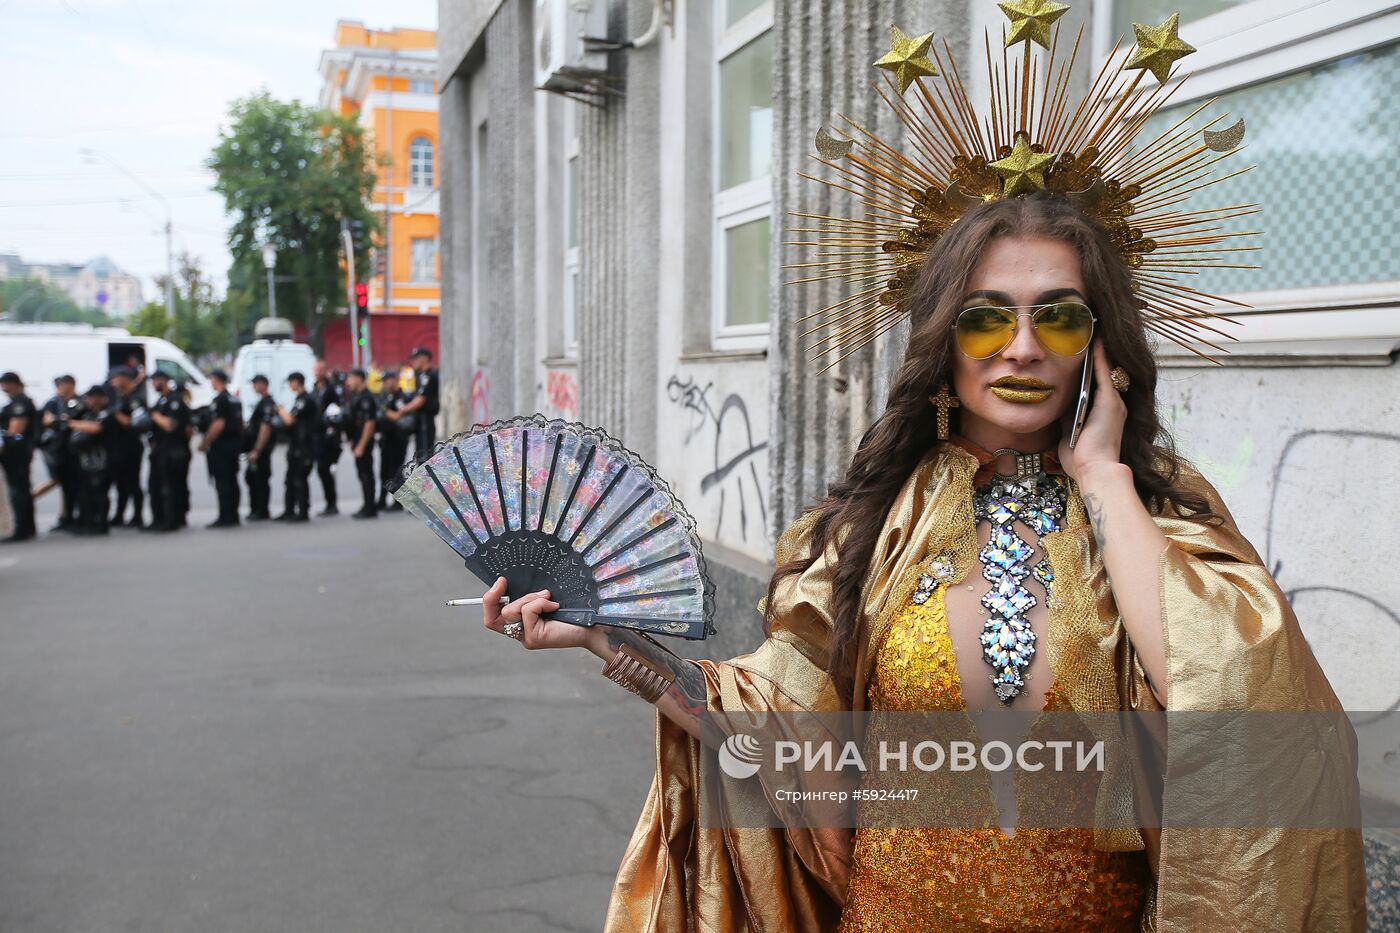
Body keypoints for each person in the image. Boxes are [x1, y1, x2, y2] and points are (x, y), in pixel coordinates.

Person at [475, 14, 1367, 931]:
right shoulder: (873, 532)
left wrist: (1102, 477)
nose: (1022, 347)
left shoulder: (1159, 521)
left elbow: (1235, 716)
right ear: (944, 344)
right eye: (987, 318)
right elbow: (771, 731)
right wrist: (602, 641)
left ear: (1100, 344)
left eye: (1057, 317)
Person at [66, 384, 118, 536]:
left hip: (103, 460)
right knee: (86, 493)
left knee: (100, 493)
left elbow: (96, 428)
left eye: (91, 398)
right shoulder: (87, 414)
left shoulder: (107, 413)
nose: (88, 401)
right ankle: (88, 522)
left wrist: (70, 423)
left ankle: (101, 523)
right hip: (87, 461)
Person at [145, 370, 191, 532]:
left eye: (155, 381)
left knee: (170, 487)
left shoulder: (174, 400)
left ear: (163, 380)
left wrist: (154, 415)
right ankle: (159, 519)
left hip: (172, 451)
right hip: (160, 450)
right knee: (155, 487)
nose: (153, 384)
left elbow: (171, 425)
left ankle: (171, 520)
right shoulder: (161, 400)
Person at [40, 374, 84, 533]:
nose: (60, 389)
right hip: (60, 450)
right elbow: (47, 420)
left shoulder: (79, 401)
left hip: (76, 450)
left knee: (77, 486)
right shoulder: (55, 402)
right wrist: (60, 420)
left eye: (62, 385)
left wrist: (59, 420)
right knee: (66, 486)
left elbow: (73, 420)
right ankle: (67, 517)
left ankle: (80, 517)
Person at [199, 369, 242, 528]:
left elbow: (218, 424)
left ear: (216, 380)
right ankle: (234, 514)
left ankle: (225, 516)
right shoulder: (234, 399)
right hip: (234, 444)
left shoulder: (220, 400)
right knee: (232, 480)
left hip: (222, 446)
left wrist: (205, 442)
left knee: (223, 482)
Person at [275, 371, 319, 522]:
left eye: (291, 382)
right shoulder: (300, 399)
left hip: (304, 447)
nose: (289, 385)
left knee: (300, 480)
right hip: (296, 446)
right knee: (290, 480)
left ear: (297, 382)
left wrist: (280, 410)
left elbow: (290, 420)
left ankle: (302, 511)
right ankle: (289, 510)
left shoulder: (305, 400)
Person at [106, 365, 145, 528]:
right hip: (117, 445)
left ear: (124, 378)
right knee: (120, 483)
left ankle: (137, 516)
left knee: (132, 482)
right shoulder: (118, 397)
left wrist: (115, 414)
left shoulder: (136, 398)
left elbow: (134, 424)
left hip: (131, 446)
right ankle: (119, 514)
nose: (113, 382)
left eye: (115, 378)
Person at [0, 371, 37, 542]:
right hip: (17, 452)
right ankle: (27, 527)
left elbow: (16, 430)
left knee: (18, 491)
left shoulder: (20, 403)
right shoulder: (16, 402)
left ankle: (22, 529)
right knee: (21, 490)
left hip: (16, 453)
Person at [342, 368, 378, 519]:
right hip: (357, 440)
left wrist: (361, 445)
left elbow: (369, 424)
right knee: (362, 474)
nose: (348, 382)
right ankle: (367, 504)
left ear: (359, 379)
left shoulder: (366, 398)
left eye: (350, 378)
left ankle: (370, 507)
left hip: (363, 442)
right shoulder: (356, 396)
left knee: (366, 474)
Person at [394, 347, 438, 461]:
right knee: (420, 452)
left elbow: (421, 399)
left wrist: (404, 409)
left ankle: (426, 478)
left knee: (424, 455)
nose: (413, 362)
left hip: (425, 420)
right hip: (420, 419)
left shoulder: (428, 376)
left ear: (424, 359)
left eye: (416, 359)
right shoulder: (419, 375)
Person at [375, 369, 410, 511]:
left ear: (394, 380)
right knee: (384, 471)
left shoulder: (400, 397)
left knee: (395, 471)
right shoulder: (387, 397)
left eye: (386, 381)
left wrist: (383, 409)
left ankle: (397, 502)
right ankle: (382, 500)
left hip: (397, 439)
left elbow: (398, 416)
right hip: (386, 439)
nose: (384, 384)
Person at [243, 375, 278, 521]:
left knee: (260, 479)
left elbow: (265, 428)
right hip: (256, 449)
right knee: (252, 478)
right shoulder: (262, 402)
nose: (254, 386)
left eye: (256, 383)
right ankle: (256, 509)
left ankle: (261, 510)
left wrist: (257, 450)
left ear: (263, 384)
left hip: (261, 451)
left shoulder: (267, 404)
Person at [313, 361, 343, 516]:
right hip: (317, 435)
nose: (317, 372)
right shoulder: (314, 388)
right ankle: (328, 502)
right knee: (321, 469)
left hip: (328, 436)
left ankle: (332, 503)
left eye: (320, 369)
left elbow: (336, 412)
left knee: (326, 469)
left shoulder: (331, 390)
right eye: (315, 369)